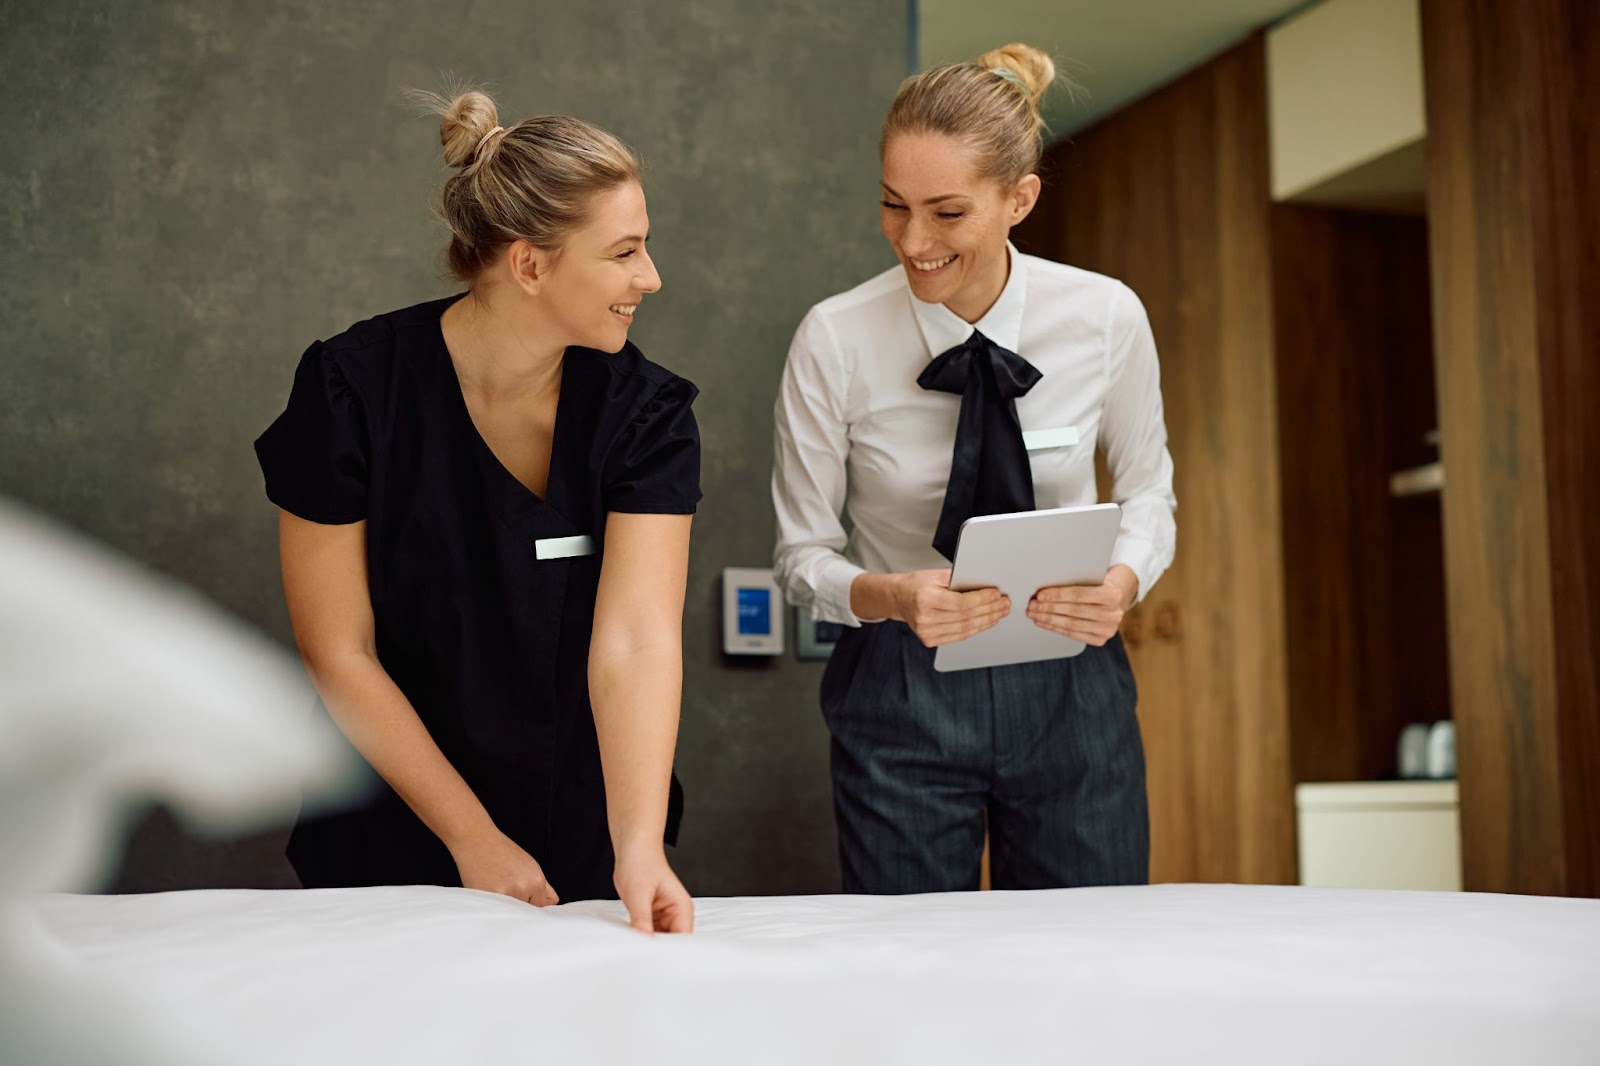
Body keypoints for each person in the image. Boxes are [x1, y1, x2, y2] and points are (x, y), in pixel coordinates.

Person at [254, 89, 698, 932]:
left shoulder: (645, 414)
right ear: (530, 266)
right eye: (626, 253)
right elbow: (339, 651)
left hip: (583, 838)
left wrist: (637, 844)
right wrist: (472, 838)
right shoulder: (352, 391)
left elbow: (636, 641)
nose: (651, 277)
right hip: (387, 834)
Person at [772, 44, 1176, 894]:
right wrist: (889, 597)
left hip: (1072, 677)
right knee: (911, 967)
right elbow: (801, 556)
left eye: (947, 213)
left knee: (1087, 954)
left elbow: (1149, 492)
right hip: (898, 687)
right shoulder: (834, 338)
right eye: (893, 205)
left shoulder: (1105, 317)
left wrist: (1124, 581)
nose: (913, 241)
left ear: (1019, 199)